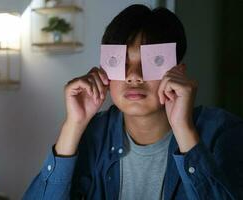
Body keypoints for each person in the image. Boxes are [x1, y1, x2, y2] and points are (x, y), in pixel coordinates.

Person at [23, 4, 243, 200]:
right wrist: (73, 125)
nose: (133, 75)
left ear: (178, 72)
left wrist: (184, 129)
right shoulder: (94, 133)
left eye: (154, 61)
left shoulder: (222, 131)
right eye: (121, 62)